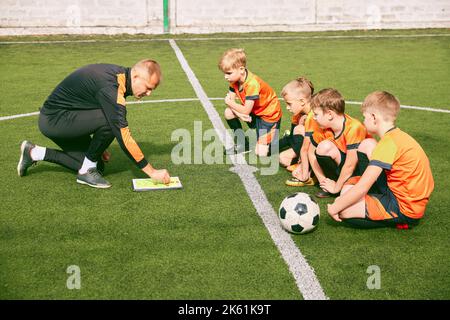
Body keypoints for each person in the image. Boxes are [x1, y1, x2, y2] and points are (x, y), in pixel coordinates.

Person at [17, 59, 171, 188]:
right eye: (148, 87)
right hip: (54, 120)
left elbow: (86, 102)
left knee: (97, 166)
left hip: (63, 118)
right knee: (112, 121)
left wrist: (98, 145)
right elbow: (123, 136)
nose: (149, 93)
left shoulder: (119, 76)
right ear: (136, 76)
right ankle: (86, 172)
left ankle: (33, 152)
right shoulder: (111, 88)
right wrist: (152, 172)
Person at [327, 91, 434, 228]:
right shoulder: (397, 136)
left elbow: (362, 187)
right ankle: (374, 200)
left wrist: (334, 208)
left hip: (405, 207)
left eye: (364, 117)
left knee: (344, 210)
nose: (363, 121)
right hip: (401, 193)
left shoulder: (388, 144)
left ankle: (401, 220)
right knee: (366, 145)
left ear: (373, 117)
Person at [218, 48, 282, 156]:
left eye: (228, 73)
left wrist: (229, 103)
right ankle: (243, 144)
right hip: (255, 113)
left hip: (269, 117)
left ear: (241, 69)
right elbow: (234, 104)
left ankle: (288, 139)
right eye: (225, 73)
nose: (225, 76)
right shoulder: (234, 80)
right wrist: (239, 114)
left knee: (260, 152)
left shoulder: (252, 83)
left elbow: (241, 108)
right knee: (228, 113)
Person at [306, 88, 368, 198]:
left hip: (360, 170)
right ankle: (333, 184)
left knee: (348, 194)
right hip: (345, 166)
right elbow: (311, 153)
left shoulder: (354, 127)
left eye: (316, 114)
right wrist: (323, 182)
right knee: (323, 147)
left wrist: (336, 188)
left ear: (329, 114)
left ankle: (346, 186)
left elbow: (350, 165)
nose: (314, 118)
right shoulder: (322, 127)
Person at [278, 77, 314, 172]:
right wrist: (272, 147)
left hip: (324, 151)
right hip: (310, 148)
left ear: (302, 101)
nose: (287, 107)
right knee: (283, 158)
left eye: (289, 104)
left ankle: (308, 168)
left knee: (299, 129)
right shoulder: (297, 115)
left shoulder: (315, 115)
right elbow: (292, 138)